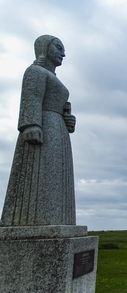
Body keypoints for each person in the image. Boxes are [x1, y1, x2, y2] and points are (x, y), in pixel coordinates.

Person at [0, 35, 76, 226]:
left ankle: (59, 219)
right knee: (42, 175)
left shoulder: (53, 78)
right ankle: (37, 220)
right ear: (44, 48)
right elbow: (31, 98)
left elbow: (60, 105)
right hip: (44, 126)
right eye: (58, 48)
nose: (63, 53)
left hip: (59, 130)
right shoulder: (35, 72)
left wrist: (68, 119)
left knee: (57, 178)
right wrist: (31, 124)